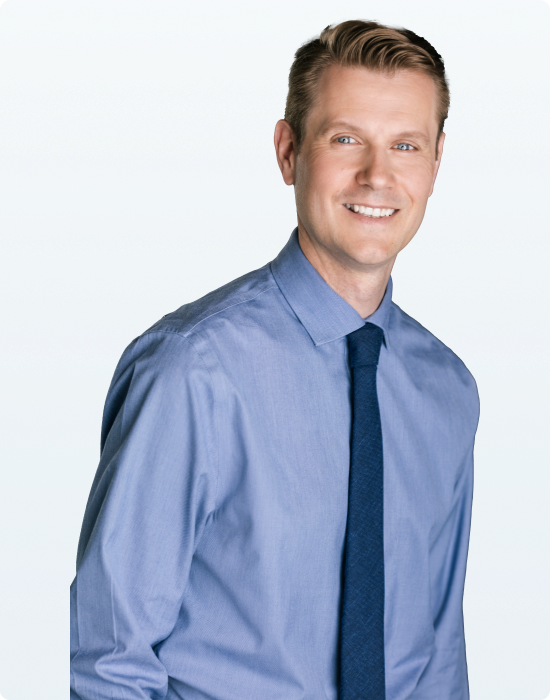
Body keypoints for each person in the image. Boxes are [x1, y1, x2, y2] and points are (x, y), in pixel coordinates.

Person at [70, 18, 479, 700]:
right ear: (289, 152)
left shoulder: (448, 390)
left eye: (405, 145)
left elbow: (438, 657)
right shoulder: (191, 371)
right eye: (345, 138)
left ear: (436, 162)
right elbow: (111, 660)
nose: (377, 175)